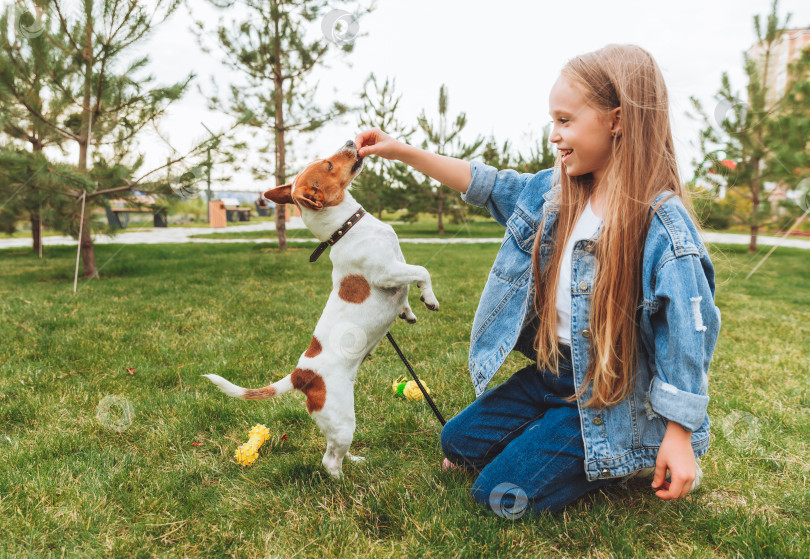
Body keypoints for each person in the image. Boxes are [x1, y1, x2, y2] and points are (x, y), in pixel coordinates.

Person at [354, 44, 721, 517]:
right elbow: (485, 183)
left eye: (565, 121)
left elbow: (689, 334)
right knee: (457, 442)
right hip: (551, 375)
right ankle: (557, 433)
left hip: (608, 394)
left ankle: (615, 450)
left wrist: (680, 434)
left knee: (498, 495)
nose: (554, 136)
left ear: (617, 120)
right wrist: (400, 150)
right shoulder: (555, 192)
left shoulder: (661, 224)